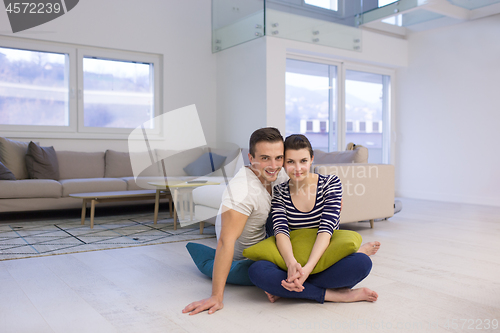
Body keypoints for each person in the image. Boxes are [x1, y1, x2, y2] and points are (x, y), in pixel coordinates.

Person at [248, 134, 381, 304]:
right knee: (256, 270)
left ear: (311, 159)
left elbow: (326, 230)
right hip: (296, 260)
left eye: (303, 161)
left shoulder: (331, 183)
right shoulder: (280, 191)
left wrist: (307, 270)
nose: (297, 168)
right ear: (283, 163)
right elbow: (281, 231)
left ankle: (289, 290)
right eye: (290, 162)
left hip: (324, 257)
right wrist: (291, 265)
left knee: (362, 263)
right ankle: (337, 295)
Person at [183, 127, 288, 315]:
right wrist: (216, 296)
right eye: (265, 158)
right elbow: (225, 241)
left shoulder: (279, 173)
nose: (274, 165)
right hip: (246, 258)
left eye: (278, 157)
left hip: (270, 236)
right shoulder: (242, 190)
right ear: (251, 158)